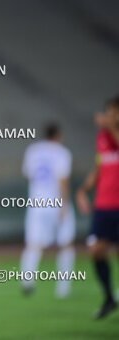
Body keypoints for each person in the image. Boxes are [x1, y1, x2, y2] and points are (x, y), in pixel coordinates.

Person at [20, 123, 75, 298]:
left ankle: (27, 279)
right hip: (56, 201)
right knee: (66, 244)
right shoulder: (62, 152)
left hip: (36, 202)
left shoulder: (33, 150)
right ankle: (63, 288)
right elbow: (63, 179)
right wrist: (64, 204)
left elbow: (28, 174)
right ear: (58, 135)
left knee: (33, 243)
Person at [77, 95, 119, 319]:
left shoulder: (111, 132)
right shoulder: (103, 137)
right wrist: (84, 190)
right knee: (96, 251)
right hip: (104, 204)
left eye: (115, 111)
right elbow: (100, 167)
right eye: (110, 111)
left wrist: (111, 127)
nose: (111, 115)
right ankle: (109, 298)